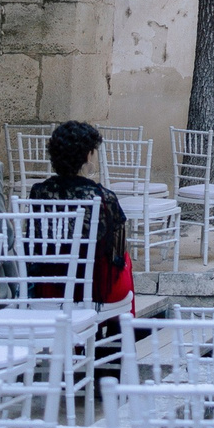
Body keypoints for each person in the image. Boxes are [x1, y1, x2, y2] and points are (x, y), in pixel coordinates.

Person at [27, 120, 132, 310]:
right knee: (125, 260)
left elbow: (34, 241)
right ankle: (120, 327)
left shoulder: (39, 192)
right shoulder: (103, 197)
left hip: (51, 284)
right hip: (93, 289)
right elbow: (118, 247)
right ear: (87, 156)